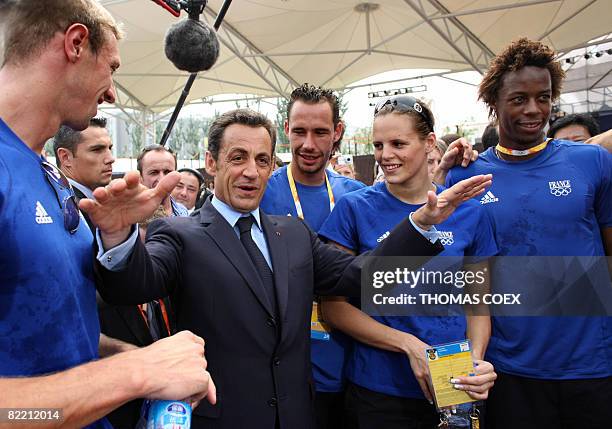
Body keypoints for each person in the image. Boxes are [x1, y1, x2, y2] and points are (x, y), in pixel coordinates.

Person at [82, 108, 493, 429]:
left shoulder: (293, 234)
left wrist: (420, 224)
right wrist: (119, 237)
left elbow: (361, 278)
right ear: (211, 161)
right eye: (237, 157)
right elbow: (134, 285)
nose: (250, 171)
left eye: (262, 160)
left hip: (298, 417)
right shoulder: (180, 234)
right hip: (222, 418)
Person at [0, 0, 214, 427]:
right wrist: (133, 374)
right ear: (76, 43)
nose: (113, 92)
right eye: (111, 67)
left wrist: (137, 356)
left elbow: (54, 327)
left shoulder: (45, 172)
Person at [441, 38, 611, 429]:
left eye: (544, 97)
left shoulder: (592, 163)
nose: (534, 110)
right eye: (518, 99)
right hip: (510, 368)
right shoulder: (465, 175)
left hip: (592, 365)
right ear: (494, 104)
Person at [318, 95, 497, 429]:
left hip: (454, 386)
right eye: (378, 145)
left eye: (398, 143)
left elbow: (478, 305)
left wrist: (475, 362)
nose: (386, 155)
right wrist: (409, 345)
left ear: (429, 143)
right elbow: (334, 307)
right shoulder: (354, 208)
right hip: (379, 390)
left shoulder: (470, 212)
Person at [260, 84, 365, 429]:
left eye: (320, 132)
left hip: (353, 368)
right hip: (285, 373)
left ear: (337, 132)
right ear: (286, 129)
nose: (308, 144)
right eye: (299, 131)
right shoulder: (260, 193)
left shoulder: (358, 197)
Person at [53, 116, 115, 230]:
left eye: (110, 148)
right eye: (97, 150)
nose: (111, 158)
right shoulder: (63, 208)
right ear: (65, 157)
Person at [137, 145, 188, 216]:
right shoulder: (130, 219)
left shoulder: (185, 215)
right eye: (154, 172)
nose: (162, 179)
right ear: (140, 178)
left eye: (167, 172)